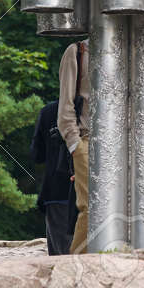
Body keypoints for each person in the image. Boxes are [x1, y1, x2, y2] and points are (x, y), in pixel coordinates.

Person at [30, 99, 77, 256]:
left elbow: (37, 155)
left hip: (57, 192)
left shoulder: (49, 111)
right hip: (93, 191)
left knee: (60, 255)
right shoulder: (96, 108)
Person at [56, 40, 90, 254]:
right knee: (91, 207)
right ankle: (77, 265)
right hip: (87, 139)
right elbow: (65, 105)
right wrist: (76, 145)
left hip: (127, 146)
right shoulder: (78, 51)